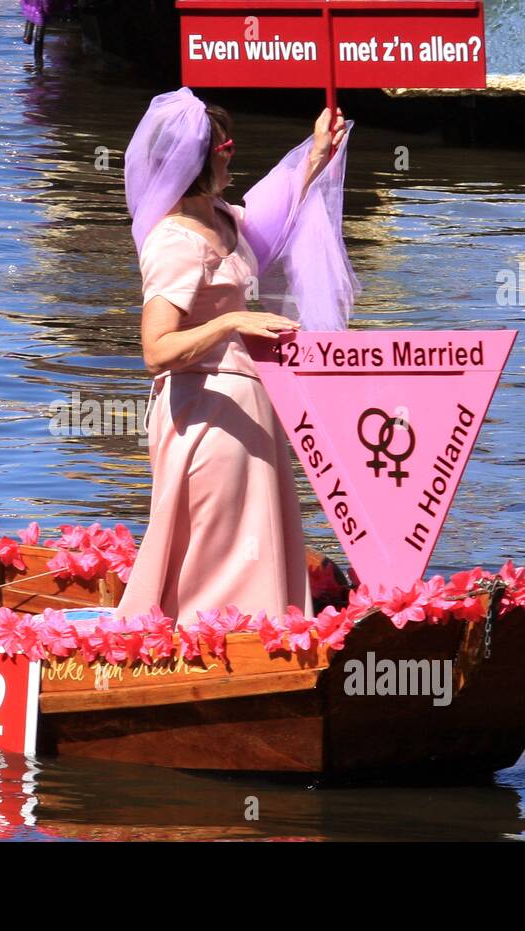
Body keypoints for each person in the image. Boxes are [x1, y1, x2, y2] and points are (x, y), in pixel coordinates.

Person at [113, 88, 359, 627]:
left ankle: (263, 635)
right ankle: (207, 638)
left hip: (248, 407)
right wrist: (231, 322)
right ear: (197, 161)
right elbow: (156, 350)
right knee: (218, 544)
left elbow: (276, 205)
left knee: (257, 534)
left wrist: (317, 152)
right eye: (225, 148)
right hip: (206, 414)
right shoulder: (175, 242)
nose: (233, 155)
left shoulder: (225, 216)